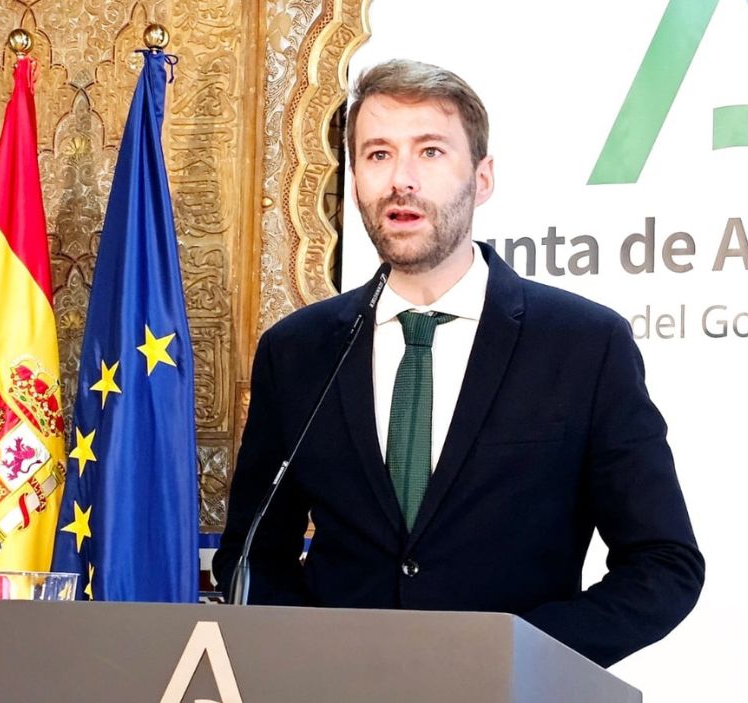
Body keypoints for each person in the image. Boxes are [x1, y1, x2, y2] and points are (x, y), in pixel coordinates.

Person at [214, 59, 703, 667]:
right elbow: (253, 553)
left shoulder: (584, 345)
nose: (402, 181)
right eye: (378, 154)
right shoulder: (298, 351)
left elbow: (664, 564)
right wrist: (314, 660)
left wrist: (516, 656)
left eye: (430, 152)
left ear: (483, 177)